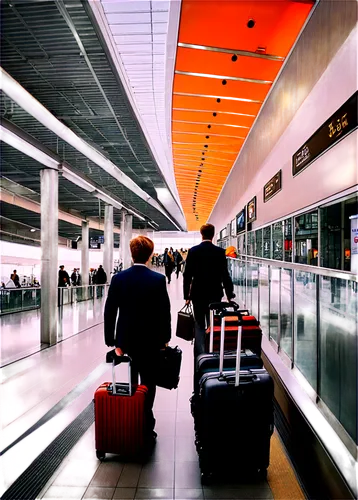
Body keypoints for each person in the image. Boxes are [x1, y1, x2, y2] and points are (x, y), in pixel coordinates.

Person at [104, 236, 171, 443]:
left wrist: (112, 341)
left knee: (130, 384)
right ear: (150, 255)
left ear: (131, 254)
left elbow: (110, 311)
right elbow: (164, 312)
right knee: (149, 383)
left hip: (126, 342)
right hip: (150, 342)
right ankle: (146, 424)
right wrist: (164, 339)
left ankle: (130, 421)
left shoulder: (119, 279)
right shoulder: (157, 280)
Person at [183, 223, 235, 357]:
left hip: (197, 294)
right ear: (213, 235)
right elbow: (225, 275)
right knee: (214, 322)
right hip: (215, 294)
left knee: (199, 324)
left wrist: (187, 296)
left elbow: (187, 274)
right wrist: (230, 295)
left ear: (202, 234)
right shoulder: (219, 252)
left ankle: (200, 356)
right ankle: (214, 351)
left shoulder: (193, 251)